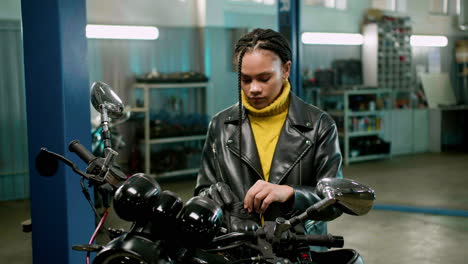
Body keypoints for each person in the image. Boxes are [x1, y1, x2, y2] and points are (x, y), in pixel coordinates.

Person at [194, 28, 343, 240]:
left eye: (264, 79)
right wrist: (210, 197)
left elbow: (335, 201)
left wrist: (292, 194)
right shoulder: (220, 126)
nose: (254, 89)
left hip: (297, 249)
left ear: (285, 70)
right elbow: (202, 191)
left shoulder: (319, 126)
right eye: (245, 80)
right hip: (239, 249)